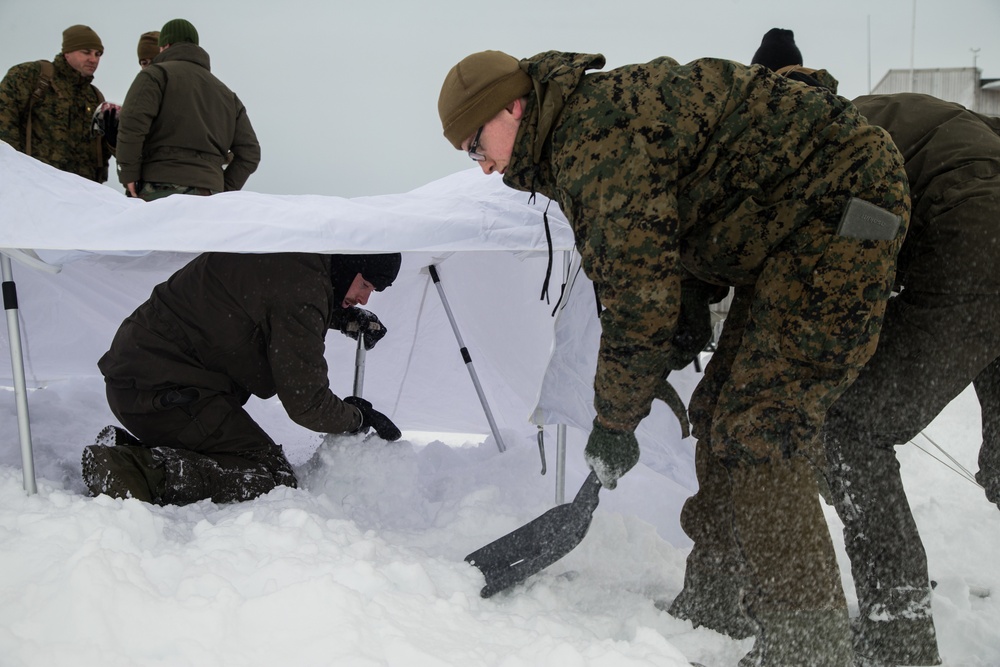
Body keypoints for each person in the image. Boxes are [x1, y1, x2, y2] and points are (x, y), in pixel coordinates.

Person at [438, 50, 909, 666]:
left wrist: (614, 422)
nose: (481, 167)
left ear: (512, 107)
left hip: (842, 210)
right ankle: (718, 602)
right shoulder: (578, 132)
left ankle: (809, 648)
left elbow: (638, 298)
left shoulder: (594, 140)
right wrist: (672, 345)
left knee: (762, 427)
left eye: (476, 146)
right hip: (786, 233)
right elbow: (679, 240)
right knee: (719, 414)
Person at [671, 27, 1000, 667]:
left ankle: (897, 638)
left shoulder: (814, 143)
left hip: (971, 245)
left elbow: (850, 244)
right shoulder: (871, 118)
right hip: (974, 234)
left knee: (842, 427)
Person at [82, 252, 403, 506]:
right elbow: (306, 401)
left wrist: (339, 317)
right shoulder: (303, 289)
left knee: (243, 456)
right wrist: (357, 418)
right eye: (366, 286)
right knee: (270, 477)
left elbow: (267, 300)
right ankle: (131, 468)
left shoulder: (294, 253)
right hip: (161, 390)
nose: (364, 299)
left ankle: (134, 449)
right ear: (351, 265)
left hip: (146, 375)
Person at [115, 18, 260, 201]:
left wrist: (128, 175)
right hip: (210, 197)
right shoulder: (228, 96)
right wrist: (223, 188)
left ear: (165, 45)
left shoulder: (154, 76)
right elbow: (250, 152)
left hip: (160, 188)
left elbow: (132, 126)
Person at [0, 24, 114, 182]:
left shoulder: (95, 97)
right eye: (86, 52)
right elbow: (4, 124)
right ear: (67, 52)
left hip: (80, 194)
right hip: (34, 185)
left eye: (98, 54)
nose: (93, 59)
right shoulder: (31, 76)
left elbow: (101, 152)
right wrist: (13, 175)